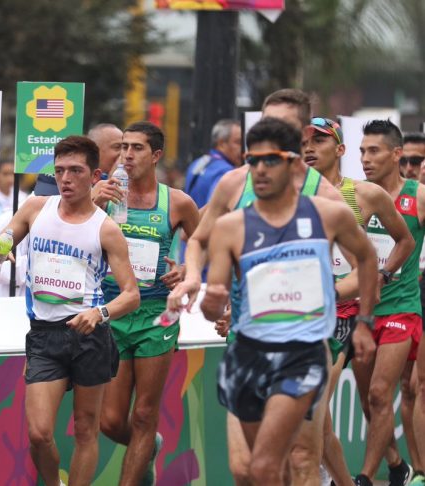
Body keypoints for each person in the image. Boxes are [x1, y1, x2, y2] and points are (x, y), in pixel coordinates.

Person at [168, 88, 347, 485]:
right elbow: (197, 238)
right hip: (246, 338)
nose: (267, 132)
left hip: (303, 341)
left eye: (279, 126)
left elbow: (355, 269)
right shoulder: (235, 184)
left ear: (301, 137)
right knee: (246, 468)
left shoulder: (327, 197)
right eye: (262, 123)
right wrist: (195, 275)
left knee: (300, 460)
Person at [193, 117, 378, 486]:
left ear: (294, 163)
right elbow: (213, 303)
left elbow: (368, 259)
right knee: (249, 470)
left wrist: (364, 322)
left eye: (270, 160)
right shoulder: (231, 227)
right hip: (247, 352)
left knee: (279, 462)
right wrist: (211, 302)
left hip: (302, 352)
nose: (259, 170)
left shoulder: (329, 213)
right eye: (252, 160)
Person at [0, 135, 139, 486]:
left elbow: (131, 295)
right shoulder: (35, 209)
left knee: (86, 430)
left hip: (88, 335)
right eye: (59, 171)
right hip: (44, 334)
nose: (66, 178)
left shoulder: (106, 228)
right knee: (39, 433)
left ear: (95, 175)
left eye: (75, 170)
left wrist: (99, 314)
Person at [302, 116, 415, 485]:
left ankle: (347, 477)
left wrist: (380, 276)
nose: (308, 149)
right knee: (332, 413)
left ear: (338, 149)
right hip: (304, 313)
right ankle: (372, 472)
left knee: (332, 402)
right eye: (304, 142)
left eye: (319, 142)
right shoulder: (291, 194)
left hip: (351, 312)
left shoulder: (363, 195)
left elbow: (405, 241)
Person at [93, 121, 199, 485]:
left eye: (136, 148)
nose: (126, 155)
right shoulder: (105, 194)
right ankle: (148, 446)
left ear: (155, 156)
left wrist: (186, 267)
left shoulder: (178, 202)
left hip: (157, 315)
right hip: (114, 310)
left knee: (143, 414)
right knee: (110, 420)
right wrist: (93, 200)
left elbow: (205, 246)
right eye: (123, 147)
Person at [353, 120, 425, 486]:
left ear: (397, 154)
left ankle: (365, 477)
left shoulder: (418, 195)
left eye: (374, 151)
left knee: (385, 391)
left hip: (403, 308)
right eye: (362, 151)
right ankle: (398, 465)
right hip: (361, 312)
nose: (365, 159)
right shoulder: (356, 197)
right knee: (370, 403)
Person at [0, 174, 60, 299]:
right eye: (43, 194)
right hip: (8, 302)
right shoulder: (9, 218)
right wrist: (46, 264)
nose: (46, 201)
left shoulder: (65, 220)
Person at [184, 119, 242, 208]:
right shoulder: (226, 172)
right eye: (238, 142)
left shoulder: (197, 163)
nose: (243, 148)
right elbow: (216, 209)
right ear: (222, 144)